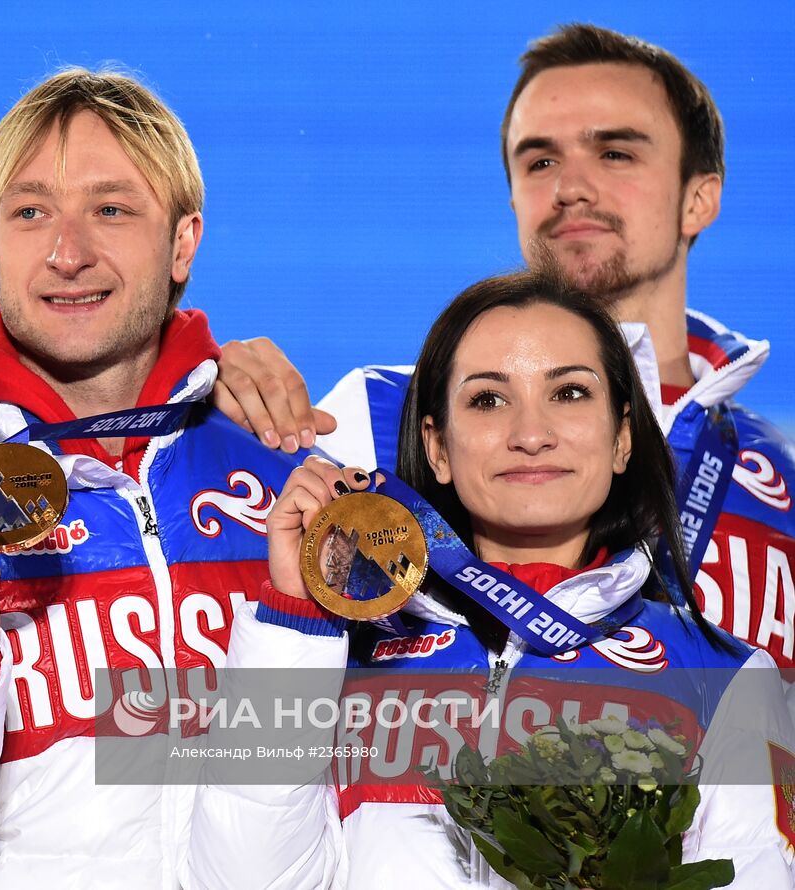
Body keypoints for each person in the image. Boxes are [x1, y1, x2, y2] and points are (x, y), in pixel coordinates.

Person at [0, 68, 305, 888]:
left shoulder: (290, 479)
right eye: (32, 213)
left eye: (111, 209)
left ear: (183, 243)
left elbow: (365, 801)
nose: (69, 254)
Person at [212, 23, 795, 670]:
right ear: (513, 195)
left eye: (616, 154)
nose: (571, 186)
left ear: (699, 198)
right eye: (540, 160)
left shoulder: (778, 474)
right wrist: (191, 400)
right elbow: (239, 702)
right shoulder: (376, 418)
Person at [189, 268, 795, 888]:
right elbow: (240, 879)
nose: (531, 435)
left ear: (621, 438)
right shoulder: (346, 651)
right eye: (488, 399)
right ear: (438, 448)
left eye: (570, 394)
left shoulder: (723, 678)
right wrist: (297, 618)